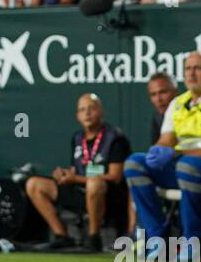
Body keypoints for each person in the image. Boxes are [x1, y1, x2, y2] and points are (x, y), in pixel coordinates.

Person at [126, 52, 201, 251]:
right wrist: (156, 152)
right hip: (183, 166)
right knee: (135, 163)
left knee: (186, 166)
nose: (192, 74)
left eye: (198, 68)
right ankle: (157, 239)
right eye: (188, 69)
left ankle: (194, 240)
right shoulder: (178, 103)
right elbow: (166, 140)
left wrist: (176, 155)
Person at [24, 93, 130, 252]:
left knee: (94, 183)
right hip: (81, 190)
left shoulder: (115, 137)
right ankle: (61, 236)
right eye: (82, 110)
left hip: (108, 195)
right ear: (77, 116)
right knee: (34, 184)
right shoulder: (77, 138)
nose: (87, 113)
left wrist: (77, 178)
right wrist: (65, 174)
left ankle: (94, 238)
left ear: (101, 112)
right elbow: (76, 170)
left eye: (91, 108)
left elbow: (116, 176)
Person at [146, 72, 178, 145]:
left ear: (175, 92)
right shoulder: (157, 117)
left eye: (163, 92)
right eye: (153, 94)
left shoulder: (187, 111)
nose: (158, 99)